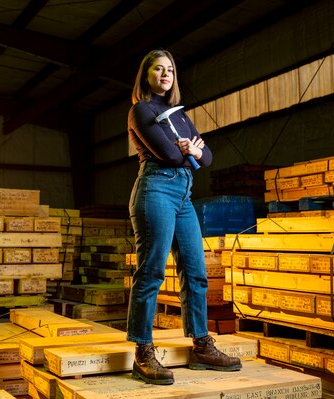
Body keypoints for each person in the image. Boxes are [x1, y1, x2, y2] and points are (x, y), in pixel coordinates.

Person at [126, 48, 242, 385]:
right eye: (158, 69)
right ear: (146, 75)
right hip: (155, 192)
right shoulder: (141, 111)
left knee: (196, 271)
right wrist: (189, 150)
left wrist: (193, 150)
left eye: (170, 70)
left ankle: (202, 346)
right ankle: (142, 352)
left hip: (184, 196)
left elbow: (206, 158)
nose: (165, 75)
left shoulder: (178, 114)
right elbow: (166, 153)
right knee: (151, 272)